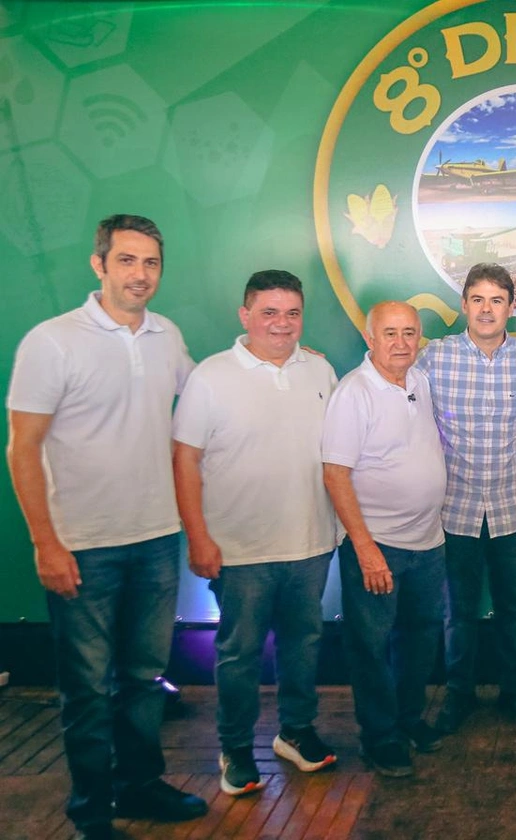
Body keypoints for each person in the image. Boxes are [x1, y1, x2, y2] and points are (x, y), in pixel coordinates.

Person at [7, 214, 207, 838]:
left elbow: (207, 396)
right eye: (126, 261)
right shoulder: (52, 341)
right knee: (88, 692)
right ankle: (91, 813)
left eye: (150, 263)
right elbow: (22, 448)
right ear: (99, 264)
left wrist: (281, 353)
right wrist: (47, 542)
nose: (140, 274)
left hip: (153, 537)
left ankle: (138, 786)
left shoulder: (166, 335)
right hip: (82, 547)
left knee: (144, 679)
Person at [173, 270, 339, 797]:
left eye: (292, 312)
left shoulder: (320, 368)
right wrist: (197, 537)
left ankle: (295, 731)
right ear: (245, 316)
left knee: (303, 643)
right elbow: (185, 460)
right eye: (269, 312)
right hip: (238, 549)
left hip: (310, 542)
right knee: (239, 653)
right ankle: (237, 748)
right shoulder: (210, 376)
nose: (282, 324)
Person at [416, 264, 516, 734]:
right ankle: (459, 694)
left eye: (497, 300)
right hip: (454, 506)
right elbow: (385, 382)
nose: (487, 309)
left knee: (515, 608)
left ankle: (514, 691)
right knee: (460, 610)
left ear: (511, 308)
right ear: (464, 306)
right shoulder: (433, 358)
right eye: (478, 299)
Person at [322, 301, 448, 777]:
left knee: (419, 639)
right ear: (369, 339)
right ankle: (379, 737)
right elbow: (335, 474)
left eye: (410, 333)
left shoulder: (419, 381)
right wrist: (365, 548)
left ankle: (408, 719)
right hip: (377, 548)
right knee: (370, 647)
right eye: (390, 333)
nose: (401, 343)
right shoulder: (354, 393)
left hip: (427, 542)